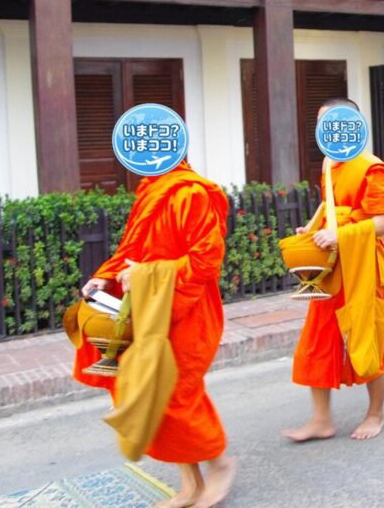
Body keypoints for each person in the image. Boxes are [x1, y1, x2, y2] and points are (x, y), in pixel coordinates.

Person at [75, 162, 235, 508]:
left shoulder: (192, 192)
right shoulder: (152, 188)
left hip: (187, 307)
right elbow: (133, 249)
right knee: (155, 391)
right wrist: (107, 276)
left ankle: (220, 465)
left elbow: (207, 261)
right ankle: (191, 485)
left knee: (177, 392)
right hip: (148, 305)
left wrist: (146, 274)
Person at [283, 98, 384, 442]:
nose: (329, 129)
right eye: (323, 123)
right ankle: (321, 420)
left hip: (365, 265)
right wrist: (314, 225)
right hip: (331, 268)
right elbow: (330, 202)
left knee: (368, 338)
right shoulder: (329, 161)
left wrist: (341, 234)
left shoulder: (371, 167)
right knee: (317, 339)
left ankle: (375, 413)